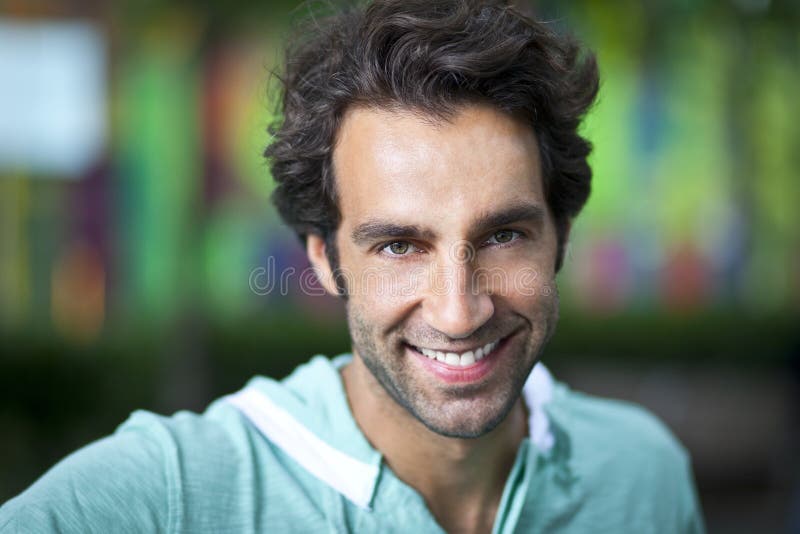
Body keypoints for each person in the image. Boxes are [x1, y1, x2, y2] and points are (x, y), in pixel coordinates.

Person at [0, 1, 705, 532]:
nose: (458, 312)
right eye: (399, 246)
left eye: (503, 236)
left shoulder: (643, 476)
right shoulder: (167, 494)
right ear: (326, 260)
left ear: (561, 237)